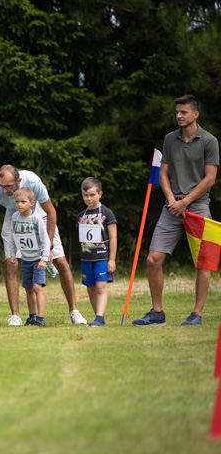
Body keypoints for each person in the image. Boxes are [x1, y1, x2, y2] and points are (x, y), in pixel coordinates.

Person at [134, 94, 218, 326]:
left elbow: (210, 179)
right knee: (153, 258)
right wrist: (173, 200)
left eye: (183, 112)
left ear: (195, 114)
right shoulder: (170, 139)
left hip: (198, 206)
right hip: (171, 207)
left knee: (202, 262)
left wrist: (186, 201)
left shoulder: (209, 141)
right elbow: (163, 173)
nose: (179, 116)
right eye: (177, 112)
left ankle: (197, 313)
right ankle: (157, 312)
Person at [0, 164, 87, 326]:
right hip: (13, 217)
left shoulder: (33, 181)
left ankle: (74, 311)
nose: (5, 191)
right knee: (11, 263)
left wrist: (50, 246)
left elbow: (51, 212)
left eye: (8, 187)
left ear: (19, 180)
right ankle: (15, 316)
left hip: (40, 216)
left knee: (60, 261)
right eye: (2, 186)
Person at [77, 177, 117, 328]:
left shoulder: (107, 213)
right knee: (91, 289)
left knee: (101, 288)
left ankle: (99, 318)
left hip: (102, 257)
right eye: (85, 195)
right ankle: (97, 318)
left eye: (92, 195)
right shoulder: (81, 215)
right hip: (86, 258)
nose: (88, 198)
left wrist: (112, 260)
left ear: (100, 194)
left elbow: (113, 237)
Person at [8, 188, 51, 327]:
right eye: (17, 202)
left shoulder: (36, 217)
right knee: (28, 289)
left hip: (38, 258)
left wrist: (44, 258)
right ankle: (32, 317)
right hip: (25, 258)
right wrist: (13, 254)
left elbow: (45, 239)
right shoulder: (15, 217)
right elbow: (13, 237)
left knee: (37, 287)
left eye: (23, 202)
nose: (20, 205)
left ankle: (41, 318)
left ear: (32, 203)